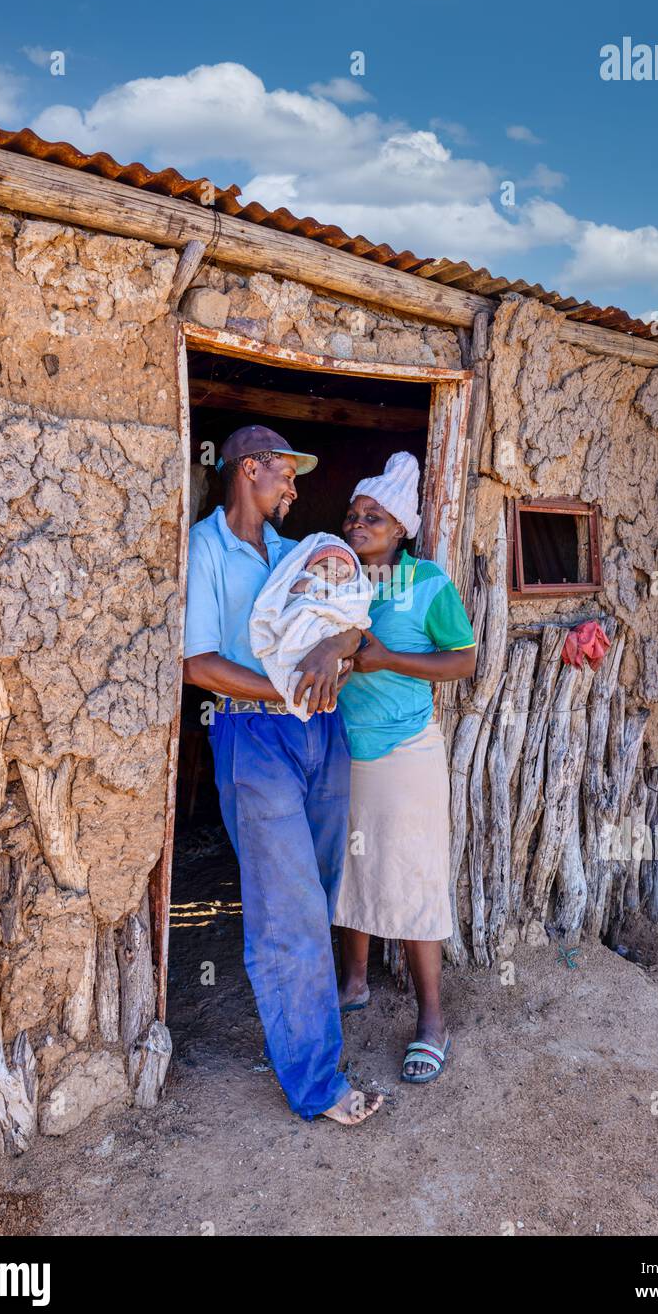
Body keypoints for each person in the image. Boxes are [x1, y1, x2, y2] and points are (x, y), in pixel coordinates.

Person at [183, 424, 382, 1127]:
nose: (295, 489)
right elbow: (199, 664)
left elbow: (352, 620)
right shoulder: (204, 550)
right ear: (247, 470)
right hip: (254, 730)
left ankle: (305, 1027)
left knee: (323, 880)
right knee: (287, 908)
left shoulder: (299, 551)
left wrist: (334, 645)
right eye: (285, 475)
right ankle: (315, 1081)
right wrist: (293, 687)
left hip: (322, 729)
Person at [334, 452, 477, 1084]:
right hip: (345, 747)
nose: (358, 524)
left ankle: (432, 1020)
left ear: (402, 530)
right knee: (354, 865)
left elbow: (465, 661)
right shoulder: (336, 577)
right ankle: (355, 982)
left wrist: (388, 659)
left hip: (406, 751)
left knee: (414, 875)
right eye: (354, 514)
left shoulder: (428, 583)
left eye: (374, 517)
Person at [249, 533, 373, 720]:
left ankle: (312, 688)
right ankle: (300, 685)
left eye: (343, 573)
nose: (333, 574)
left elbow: (357, 620)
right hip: (297, 635)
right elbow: (283, 607)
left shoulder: (349, 596)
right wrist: (302, 589)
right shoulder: (301, 583)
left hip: (329, 637)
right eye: (325, 567)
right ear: (308, 569)